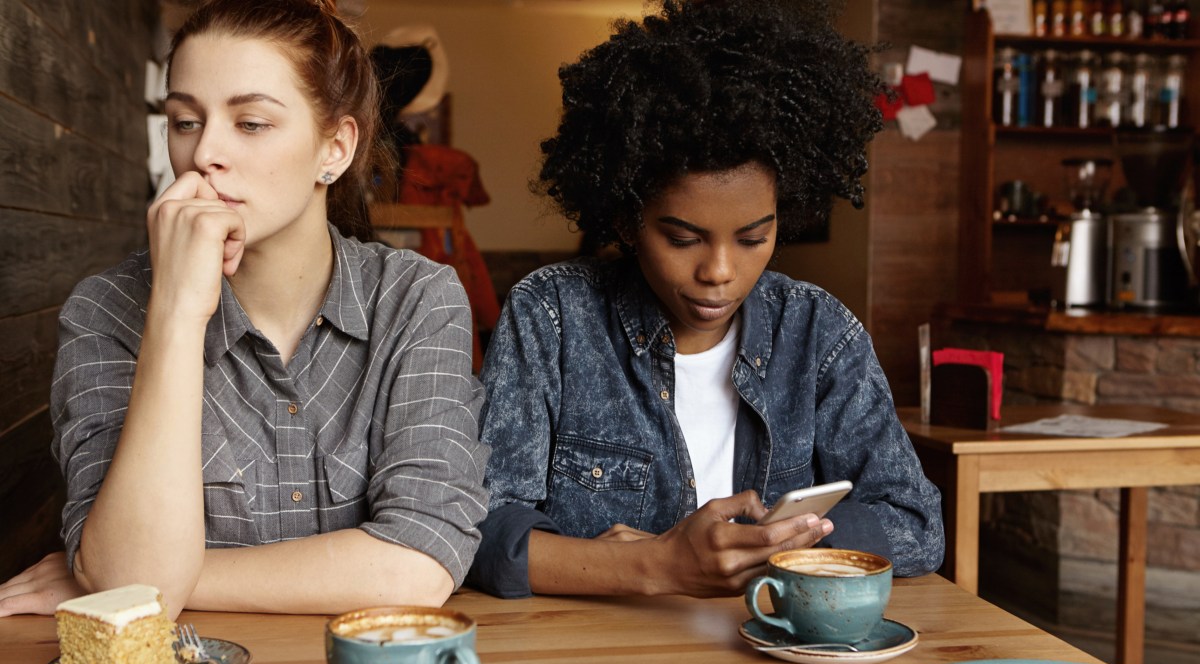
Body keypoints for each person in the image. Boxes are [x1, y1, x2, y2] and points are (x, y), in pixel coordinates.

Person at [0, 0, 488, 619]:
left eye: (251, 123)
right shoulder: (106, 310)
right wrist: (176, 310)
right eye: (183, 121)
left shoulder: (418, 299)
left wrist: (143, 580)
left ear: (333, 149)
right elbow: (130, 577)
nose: (205, 153)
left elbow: (421, 564)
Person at [467, 0, 945, 599]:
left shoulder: (818, 332)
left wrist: (778, 543)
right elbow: (476, 529)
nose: (719, 271)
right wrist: (655, 567)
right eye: (682, 238)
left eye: (753, 238)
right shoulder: (551, 319)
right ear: (626, 217)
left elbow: (916, 523)